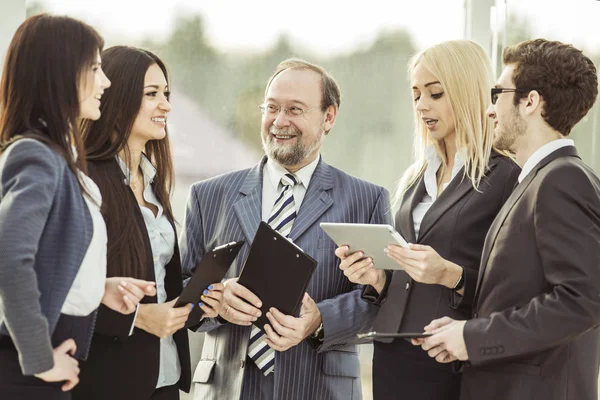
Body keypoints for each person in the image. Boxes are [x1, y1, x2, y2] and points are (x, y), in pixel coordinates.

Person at [179, 58, 392, 400]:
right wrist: (214, 300)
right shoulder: (208, 195)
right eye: (272, 108)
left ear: (328, 117)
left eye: (294, 109)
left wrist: (319, 319)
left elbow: (382, 300)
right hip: (227, 390)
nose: (279, 122)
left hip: (320, 389)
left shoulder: (367, 199)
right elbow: (181, 289)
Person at [335, 40, 520, 400]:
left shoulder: (505, 178)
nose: (421, 105)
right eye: (416, 94)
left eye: (434, 93)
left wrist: (450, 274)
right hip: (394, 353)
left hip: (450, 358)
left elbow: (514, 287)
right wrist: (375, 278)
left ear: (467, 93)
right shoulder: (416, 178)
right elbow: (405, 276)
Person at [417, 38, 600, 400]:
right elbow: (520, 293)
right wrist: (464, 332)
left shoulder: (562, 179)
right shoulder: (538, 179)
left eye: (498, 92)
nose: (489, 109)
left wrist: (473, 338)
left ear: (531, 101)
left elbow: (582, 299)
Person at [0, 14, 155, 400]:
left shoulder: (56, 158)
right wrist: (39, 359)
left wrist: (96, 288)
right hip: (25, 371)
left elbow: (44, 257)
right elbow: (8, 257)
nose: (105, 82)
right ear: (61, 73)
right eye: (96, 69)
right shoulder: (35, 156)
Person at [73, 46, 212, 400]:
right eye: (151, 94)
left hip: (165, 378)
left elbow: (162, 287)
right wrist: (135, 319)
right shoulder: (84, 182)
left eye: (166, 94)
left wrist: (207, 297)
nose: (165, 104)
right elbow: (61, 289)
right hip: (107, 382)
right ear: (116, 98)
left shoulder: (153, 184)